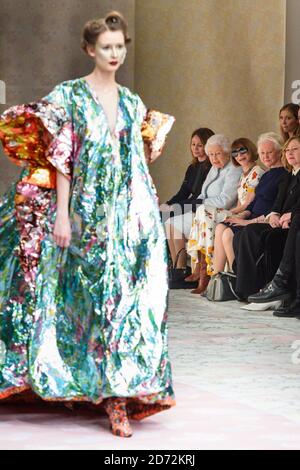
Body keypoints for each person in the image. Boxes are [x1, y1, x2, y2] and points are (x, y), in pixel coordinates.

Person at [0, 11, 175, 438]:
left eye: (119, 46)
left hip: (129, 218)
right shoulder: (70, 96)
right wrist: (62, 214)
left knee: (128, 303)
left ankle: (118, 397)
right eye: (106, 46)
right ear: (89, 49)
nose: (114, 53)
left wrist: (146, 220)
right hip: (83, 214)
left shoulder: (132, 102)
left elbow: (136, 164)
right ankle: (83, 385)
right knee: (82, 302)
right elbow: (63, 158)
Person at [165, 134, 242, 291]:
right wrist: (197, 203)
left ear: (227, 152)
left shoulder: (234, 169)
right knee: (169, 222)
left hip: (220, 212)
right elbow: (202, 194)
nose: (214, 158)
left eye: (217, 154)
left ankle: (200, 272)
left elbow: (225, 200)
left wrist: (198, 204)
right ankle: (179, 270)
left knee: (177, 222)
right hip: (204, 210)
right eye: (211, 154)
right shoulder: (214, 168)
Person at [186, 137, 264, 290]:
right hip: (237, 211)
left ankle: (206, 273)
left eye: (243, 151)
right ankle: (208, 273)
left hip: (246, 214)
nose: (239, 155)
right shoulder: (243, 174)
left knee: (204, 211)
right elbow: (242, 203)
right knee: (203, 211)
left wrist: (231, 214)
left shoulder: (257, 172)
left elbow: (247, 204)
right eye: (236, 152)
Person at [231, 135, 300, 300]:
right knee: (243, 232)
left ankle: (262, 286)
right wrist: (276, 214)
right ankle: (246, 288)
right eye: (288, 150)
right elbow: (277, 203)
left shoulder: (283, 172)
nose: (290, 153)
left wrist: (289, 214)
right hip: (279, 220)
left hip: (290, 222)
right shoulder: (289, 174)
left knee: (251, 231)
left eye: (295, 149)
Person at [213, 133, 286, 274]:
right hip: (252, 215)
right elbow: (252, 203)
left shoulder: (284, 174)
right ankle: (218, 277)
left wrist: (249, 221)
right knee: (221, 227)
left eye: (269, 152)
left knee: (228, 233)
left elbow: (276, 207)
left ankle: (237, 277)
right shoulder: (266, 175)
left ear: (279, 152)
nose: (265, 156)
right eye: (262, 153)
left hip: (263, 219)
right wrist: (242, 215)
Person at [160, 127, 214, 218]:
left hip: (198, 206)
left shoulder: (211, 169)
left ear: (208, 147)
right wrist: (168, 204)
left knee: (163, 216)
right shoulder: (192, 168)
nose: (195, 148)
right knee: (159, 213)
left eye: (199, 145)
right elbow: (183, 192)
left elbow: (198, 196)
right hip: (188, 204)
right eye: (193, 144)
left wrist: (174, 207)